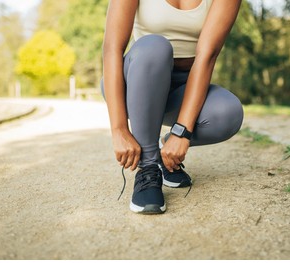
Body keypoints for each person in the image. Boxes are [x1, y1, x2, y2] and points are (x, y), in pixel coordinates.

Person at [101, 0, 244, 214]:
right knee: (155, 46)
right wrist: (119, 128)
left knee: (228, 113)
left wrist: (181, 132)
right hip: (137, 82)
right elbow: (112, 48)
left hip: (185, 86)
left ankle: (163, 151)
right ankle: (147, 167)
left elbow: (207, 56)